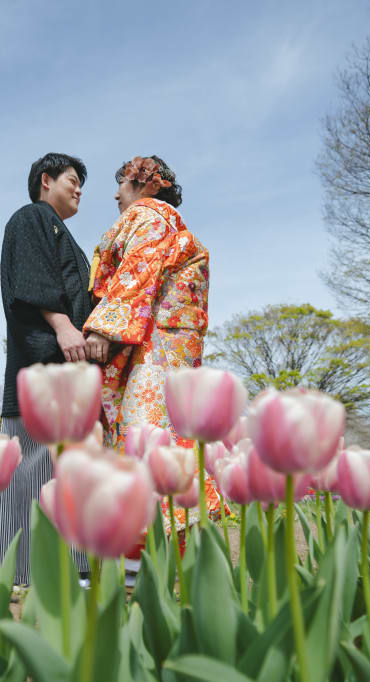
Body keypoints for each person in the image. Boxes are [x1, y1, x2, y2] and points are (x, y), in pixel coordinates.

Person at [81, 155, 221, 535]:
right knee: (171, 440)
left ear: (147, 185)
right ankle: (172, 557)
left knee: (147, 433)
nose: (115, 195)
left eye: (121, 185)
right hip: (170, 347)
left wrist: (103, 328)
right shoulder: (173, 226)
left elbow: (138, 268)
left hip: (152, 348)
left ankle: (145, 559)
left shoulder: (149, 216)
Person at [0, 153, 94, 587]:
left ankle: (72, 568)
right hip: (39, 363)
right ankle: (23, 575)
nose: (78, 190)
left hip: (69, 367)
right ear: (45, 180)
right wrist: (62, 324)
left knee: (65, 468)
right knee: (30, 467)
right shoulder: (31, 218)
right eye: (72, 180)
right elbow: (30, 282)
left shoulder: (64, 234)